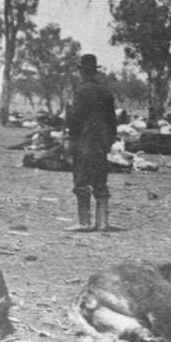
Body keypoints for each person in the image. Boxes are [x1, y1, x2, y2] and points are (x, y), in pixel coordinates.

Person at [64, 54, 117, 232]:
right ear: (94, 71)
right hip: (101, 144)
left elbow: (74, 118)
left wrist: (69, 137)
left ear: (82, 72)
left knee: (81, 182)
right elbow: (113, 122)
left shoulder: (79, 91)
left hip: (83, 143)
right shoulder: (106, 92)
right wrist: (108, 142)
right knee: (100, 182)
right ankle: (102, 222)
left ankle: (84, 222)